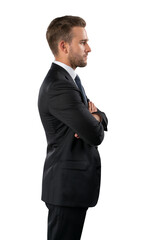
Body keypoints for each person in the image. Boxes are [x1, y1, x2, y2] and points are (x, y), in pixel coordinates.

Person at [38, 15, 108, 240]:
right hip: (66, 189)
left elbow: (99, 119)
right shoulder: (60, 86)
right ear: (63, 46)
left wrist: (94, 116)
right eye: (82, 42)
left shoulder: (68, 80)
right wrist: (93, 120)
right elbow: (95, 135)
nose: (89, 48)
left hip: (71, 188)